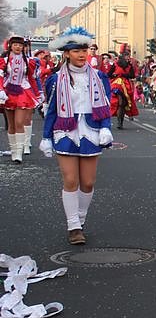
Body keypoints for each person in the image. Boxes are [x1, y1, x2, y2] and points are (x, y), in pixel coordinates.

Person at [40, 27, 114, 245]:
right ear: (66, 53)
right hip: (65, 129)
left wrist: (105, 127)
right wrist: (46, 137)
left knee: (88, 182)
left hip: (91, 130)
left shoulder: (99, 77)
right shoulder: (55, 79)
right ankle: (73, 226)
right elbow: (51, 110)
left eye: (84, 50)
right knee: (71, 180)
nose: (82, 55)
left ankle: (80, 219)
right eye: (76, 51)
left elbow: (106, 106)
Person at [0, 34, 41, 163]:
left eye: (20, 45)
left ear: (23, 47)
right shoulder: (4, 60)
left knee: (19, 122)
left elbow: (31, 79)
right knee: (11, 124)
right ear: (10, 46)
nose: (18, 47)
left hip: (23, 92)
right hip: (8, 92)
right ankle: (13, 151)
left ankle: (19, 153)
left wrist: (38, 94)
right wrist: (1, 90)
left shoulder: (28, 62)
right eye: (15, 45)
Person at [108, 53, 139, 129]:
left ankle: (121, 121)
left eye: (128, 58)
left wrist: (125, 75)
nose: (128, 59)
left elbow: (132, 76)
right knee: (120, 103)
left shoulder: (129, 66)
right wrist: (114, 75)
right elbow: (109, 74)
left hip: (126, 85)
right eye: (126, 58)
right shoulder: (115, 65)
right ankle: (119, 122)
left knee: (123, 104)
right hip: (117, 84)